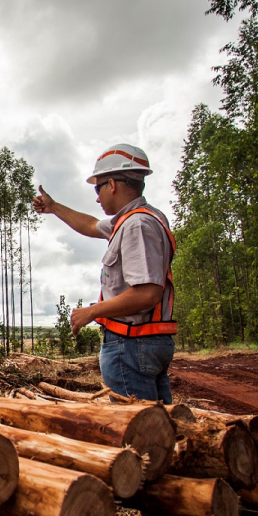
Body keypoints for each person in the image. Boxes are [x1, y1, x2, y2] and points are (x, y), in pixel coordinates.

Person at [33, 144, 176, 404]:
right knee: (161, 428)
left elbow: (147, 293)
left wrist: (92, 311)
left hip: (132, 344)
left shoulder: (136, 225)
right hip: (144, 342)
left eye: (97, 188)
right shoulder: (137, 218)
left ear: (112, 184)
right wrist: (53, 207)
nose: (97, 198)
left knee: (137, 432)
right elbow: (89, 225)